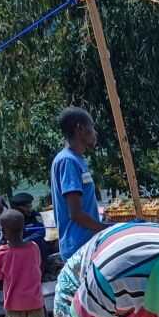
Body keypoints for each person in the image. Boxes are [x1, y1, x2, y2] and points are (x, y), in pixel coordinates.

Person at [51, 107, 107, 264]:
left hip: (88, 243)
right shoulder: (68, 161)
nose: (95, 133)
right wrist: (106, 229)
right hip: (79, 247)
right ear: (80, 129)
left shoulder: (78, 160)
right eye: (92, 127)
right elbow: (75, 214)